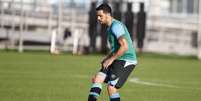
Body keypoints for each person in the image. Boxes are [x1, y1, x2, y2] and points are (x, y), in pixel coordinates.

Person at [88, 3, 137, 101]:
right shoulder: (110, 27)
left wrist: (111, 59)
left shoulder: (116, 26)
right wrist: (107, 58)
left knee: (111, 87)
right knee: (97, 79)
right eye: (97, 16)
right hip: (118, 58)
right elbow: (116, 48)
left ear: (107, 14)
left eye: (100, 16)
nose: (98, 18)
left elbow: (125, 46)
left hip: (126, 60)